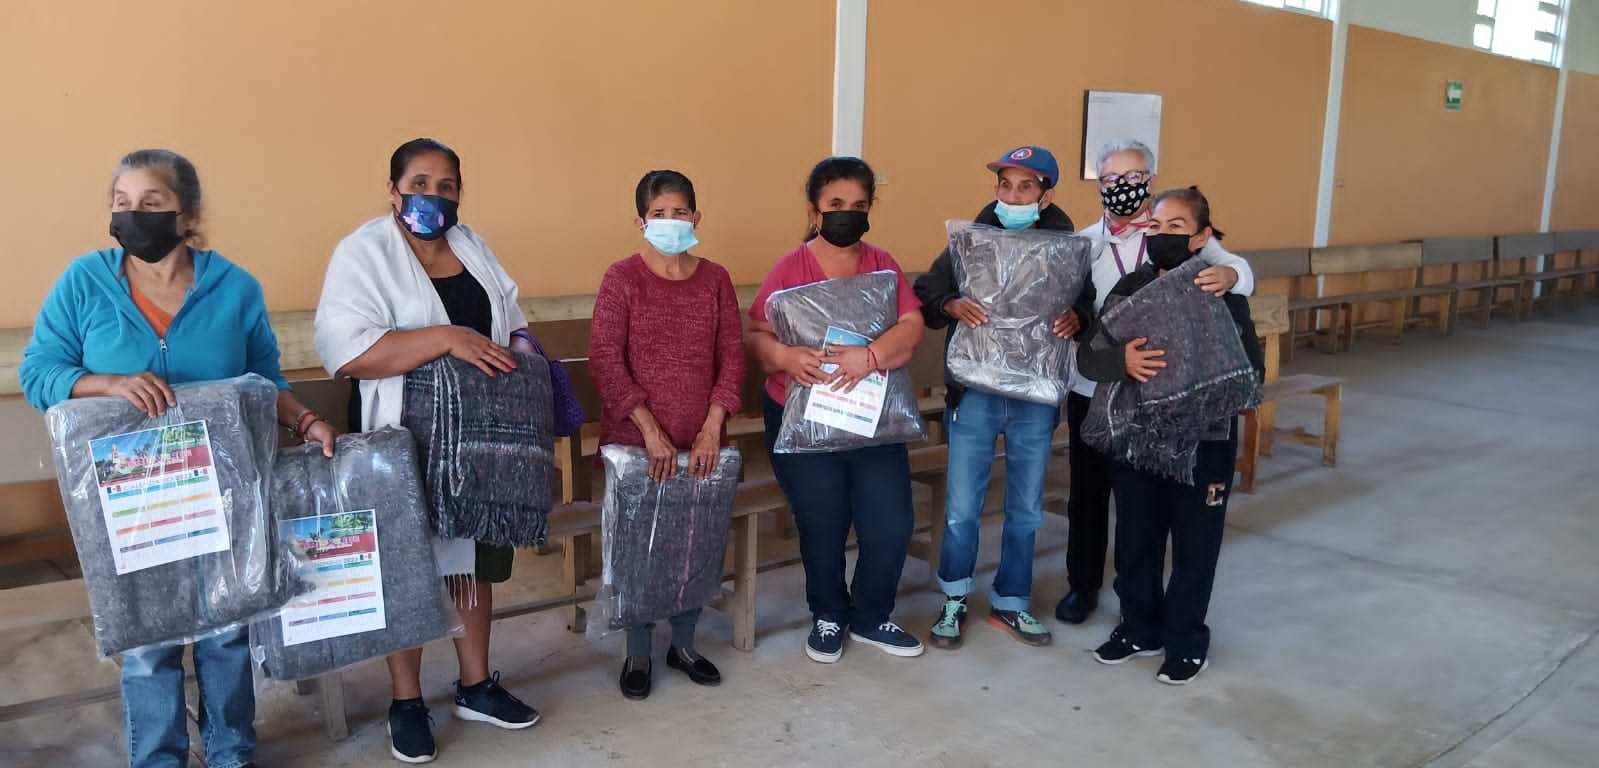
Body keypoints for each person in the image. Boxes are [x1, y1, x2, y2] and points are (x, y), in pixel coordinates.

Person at [20, 148, 337, 768]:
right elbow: (39, 373)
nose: (133, 215)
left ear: (187, 214)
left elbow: (263, 381)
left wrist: (306, 420)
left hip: (222, 491)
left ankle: (230, 751)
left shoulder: (234, 288)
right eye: (122, 203)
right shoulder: (84, 283)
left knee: (226, 626)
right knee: (148, 643)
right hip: (131, 497)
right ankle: (159, 758)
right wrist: (107, 384)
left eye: (151, 203)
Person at [313, 138, 540, 763]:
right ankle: (406, 701)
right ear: (393, 190)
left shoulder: (471, 245)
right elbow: (348, 351)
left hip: (480, 437)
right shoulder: (364, 253)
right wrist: (446, 338)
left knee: (473, 559)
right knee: (406, 565)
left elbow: (510, 314)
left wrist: (520, 352)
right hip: (400, 436)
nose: (433, 197)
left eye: (446, 186)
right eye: (419, 184)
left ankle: (475, 685)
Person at [1056, 139, 1256, 627]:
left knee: (1140, 507)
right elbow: (1069, 304)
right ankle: (1083, 586)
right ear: (1098, 185)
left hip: (1160, 396)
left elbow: (1237, 271)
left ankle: (1150, 609)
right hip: (1094, 387)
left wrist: (1231, 274)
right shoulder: (1083, 243)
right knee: (1088, 497)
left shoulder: (1176, 227)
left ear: (1149, 179)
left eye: (1133, 176)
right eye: (1111, 178)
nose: (1122, 186)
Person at [746, 156, 927, 663]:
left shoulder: (882, 265)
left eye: (859, 205)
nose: (848, 213)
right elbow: (757, 334)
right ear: (815, 210)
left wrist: (871, 356)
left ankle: (871, 615)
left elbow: (911, 325)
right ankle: (828, 613)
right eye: (836, 204)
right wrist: (786, 357)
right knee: (822, 521)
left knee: (890, 523)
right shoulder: (790, 269)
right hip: (804, 420)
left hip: (873, 421)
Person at [913, 145, 1094, 649]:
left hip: (1035, 394)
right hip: (975, 390)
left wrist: (1079, 318)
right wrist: (951, 304)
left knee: (1026, 507)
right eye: (1005, 185)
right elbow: (927, 292)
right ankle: (954, 598)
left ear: (1045, 195)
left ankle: (1011, 602)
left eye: (1025, 187)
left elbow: (1086, 304)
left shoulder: (1067, 247)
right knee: (961, 507)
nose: (1012, 196)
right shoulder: (971, 240)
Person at [589, 169, 743, 700]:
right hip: (637, 444)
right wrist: (650, 432)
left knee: (695, 542)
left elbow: (731, 357)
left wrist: (712, 427)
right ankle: (638, 651)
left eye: (679, 212)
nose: (670, 221)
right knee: (638, 548)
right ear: (640, 222)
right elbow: (606, 359)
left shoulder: (715, 279)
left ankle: (684, 644)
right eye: (659, 213)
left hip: (702, 443)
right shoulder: (622, 278)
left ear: (696, 217)